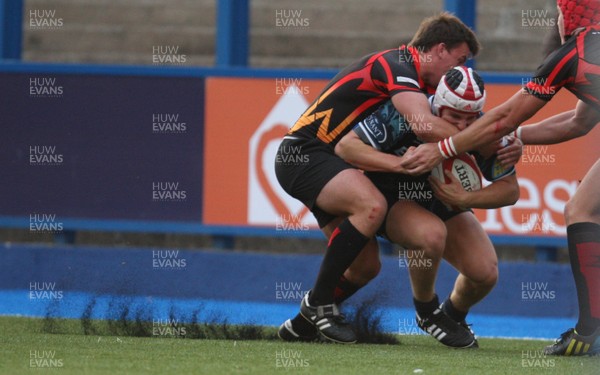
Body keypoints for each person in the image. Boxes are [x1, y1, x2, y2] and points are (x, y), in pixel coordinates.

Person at [400, 0, 600, 356]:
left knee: (581, 212)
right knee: (581, 208)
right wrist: (514, 139)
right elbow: (577, 122)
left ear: (568, 16)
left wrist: (444, 148)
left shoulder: (573, 53)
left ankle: (588, 332)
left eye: (558, 12)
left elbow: (504, 119)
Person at [280, 67, 523, 349]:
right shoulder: (409, 112)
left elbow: (510, 191)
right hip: (392, 194)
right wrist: (402, 166)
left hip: (444, 199)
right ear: (437, 103)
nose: (462, 125)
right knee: (429, 235)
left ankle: (452, 315)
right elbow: (347, 148)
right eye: (454, 116)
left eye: (470, 118)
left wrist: (465, 199)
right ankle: (427, 310)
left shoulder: (485, 133)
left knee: (485, 272)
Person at [274, 12, 480, 344]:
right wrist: (486, 137)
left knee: (365, 268)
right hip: (305, 155)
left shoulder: (422, 83)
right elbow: (423, 125)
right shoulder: (396, 64)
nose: (461, 71)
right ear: (439, 49)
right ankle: (318, 303)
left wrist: (503, 140)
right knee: (371, 205)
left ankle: (302, 323)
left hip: (332, 162)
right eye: (460, 60)